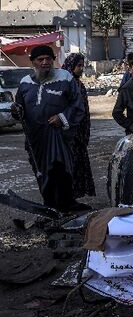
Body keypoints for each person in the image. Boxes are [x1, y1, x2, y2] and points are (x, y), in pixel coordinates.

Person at [11, 45, 88, 212]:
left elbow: (77, 105)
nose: (45, 62)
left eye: (48, 59)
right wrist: (16, 110)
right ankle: (50, 207)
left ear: (53, 60)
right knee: (41, 172)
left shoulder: (65, 77)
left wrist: (62, 118)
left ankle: (65, 206)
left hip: (59, 136)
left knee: (61, 170)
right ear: (33, 62)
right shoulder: (25, 83)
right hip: (36, 139)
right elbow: (20, 110)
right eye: (40, 60)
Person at [61, 53, 95, 199]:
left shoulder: (79, 84)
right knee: (69, 167)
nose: (81, 69)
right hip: (69, 133)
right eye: (78, 66)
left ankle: (75, 198)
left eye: (82, 65)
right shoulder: (64, 84)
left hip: (80, 134)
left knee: (78, 165)